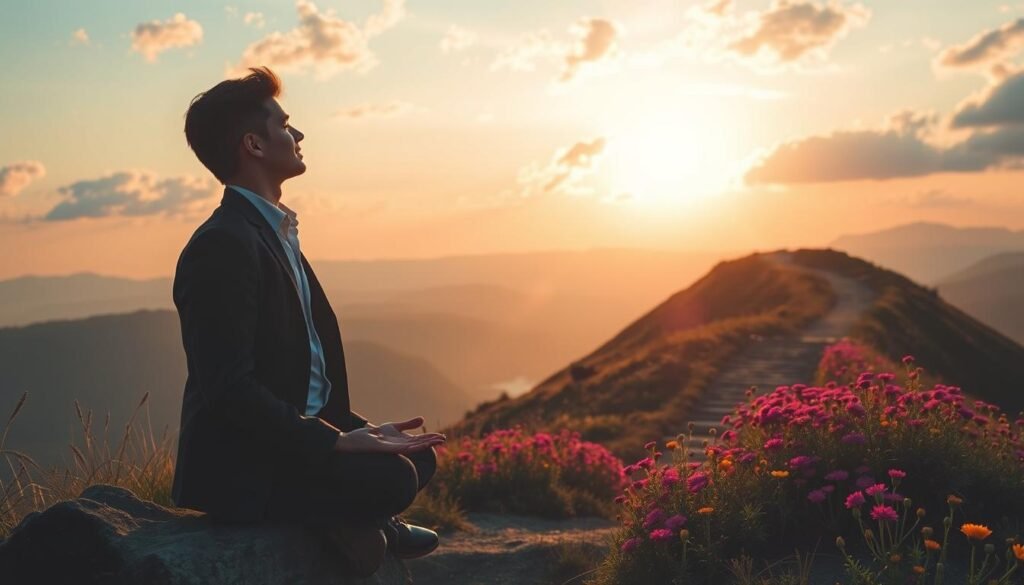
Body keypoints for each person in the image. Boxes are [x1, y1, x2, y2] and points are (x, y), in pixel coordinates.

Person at [171, 65, 446, 577]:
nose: (297, 135)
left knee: (420, 456)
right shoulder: (222, 245)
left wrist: (346, 425)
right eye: (285, 124)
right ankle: (360, 523)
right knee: (393, 481)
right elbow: (228, 391)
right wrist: (335, 441)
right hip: (245, 457)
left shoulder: (272, 229)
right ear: (253, 145)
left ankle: (354, 519)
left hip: (293, 430)